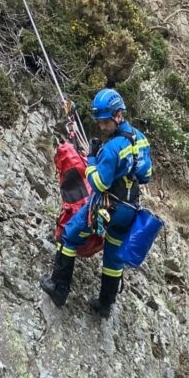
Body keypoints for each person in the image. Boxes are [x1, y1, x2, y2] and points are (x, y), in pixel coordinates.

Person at [40, 89, 152, 318]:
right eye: (99, 122)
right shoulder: (141, 139)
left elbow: (99, 183)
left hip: (106, 206)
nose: (101, 127)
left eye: (104, 122)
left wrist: (92, 159)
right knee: (113, 256)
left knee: (69, 235)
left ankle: (59, 289)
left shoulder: (112, 148)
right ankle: (104, 305)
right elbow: (146, 174)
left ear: (118, 115)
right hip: (129, 209)